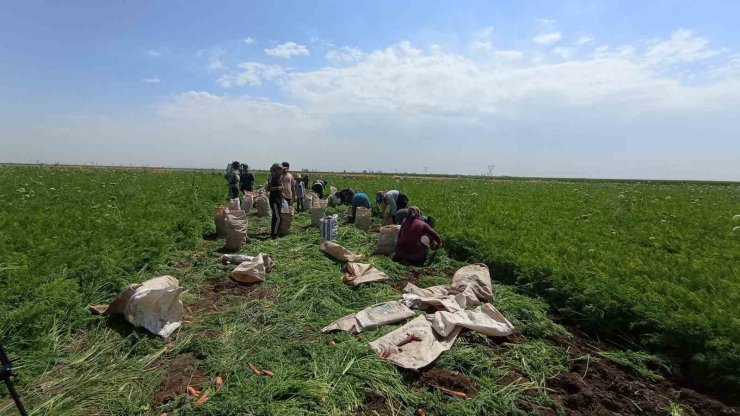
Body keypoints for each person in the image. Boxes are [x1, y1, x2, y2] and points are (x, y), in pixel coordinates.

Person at [266, 163, 285, 238]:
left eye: (281, 169)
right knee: (278, 217)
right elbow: (268, 188)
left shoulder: (279, 178)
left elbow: (280, 188)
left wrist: (282, 194)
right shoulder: (272, 178)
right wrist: (278, 188)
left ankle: (275, 232)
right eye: (278, 169)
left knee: (276, 216)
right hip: (274, 200)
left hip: (279, 199)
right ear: (274, 169)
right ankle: (274, 235)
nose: (280, 170)